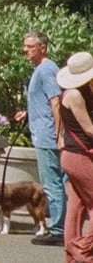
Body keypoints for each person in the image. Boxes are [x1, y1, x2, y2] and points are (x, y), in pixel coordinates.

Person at [15, 31, 66, 246]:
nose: (25, 50)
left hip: (47, 135)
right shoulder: (41, 70)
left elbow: (56, 102)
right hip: (43, 132)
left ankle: (57, 230)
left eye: (30, 46)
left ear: (42, 47)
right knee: (56, 182)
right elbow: (46, 101)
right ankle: (61, 227)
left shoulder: (46, 69)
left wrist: (58, 133)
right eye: (24, 46)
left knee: (51, 183)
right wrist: (28, 112)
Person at [57, 51, 93, 261]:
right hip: (80, 155)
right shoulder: (74, 95)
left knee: (76, 206)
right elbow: (89, 129)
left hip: (72, 155)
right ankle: (84, 252)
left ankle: (71, 254)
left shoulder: (76, 92)